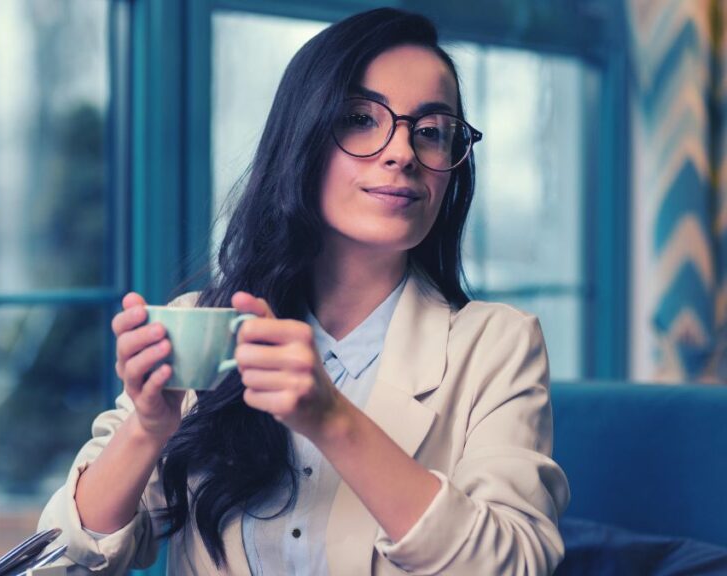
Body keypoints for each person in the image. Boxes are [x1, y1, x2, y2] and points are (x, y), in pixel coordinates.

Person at [39, 7, 569, 575]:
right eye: (361, 119)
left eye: (433, 131)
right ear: (303, 140)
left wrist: (331, 419)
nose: (403, 153)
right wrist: (148, 428)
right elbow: (58, 560)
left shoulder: (497, 344)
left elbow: (516, 564)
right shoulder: (206, 328)